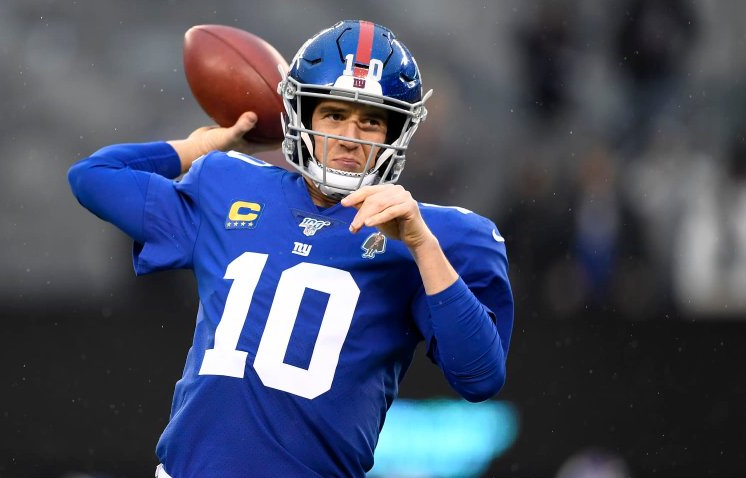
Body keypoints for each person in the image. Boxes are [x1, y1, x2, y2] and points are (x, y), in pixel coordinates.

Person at [68, 20, 513, 478]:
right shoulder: (228, 183)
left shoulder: (433, 234)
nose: (349, 137)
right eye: (334, 115)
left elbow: (478, 377)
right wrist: (195, 147)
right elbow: (92, 178)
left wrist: (424, 246)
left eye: (372, 121)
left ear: (396, 133)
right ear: (301, 116)